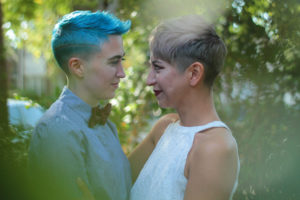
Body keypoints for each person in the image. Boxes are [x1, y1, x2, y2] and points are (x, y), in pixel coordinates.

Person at [129, 15, 240, 200]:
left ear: (194, 73)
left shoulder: (215, 147)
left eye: (158, 68)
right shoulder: (164, 127)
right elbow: (113, 183)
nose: (149, 80)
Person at [28, 10, 132, 200]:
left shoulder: (106, 124)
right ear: (77, 67)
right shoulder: (58, 131)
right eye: (114, 62)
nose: (122, 73)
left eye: (121, 60)